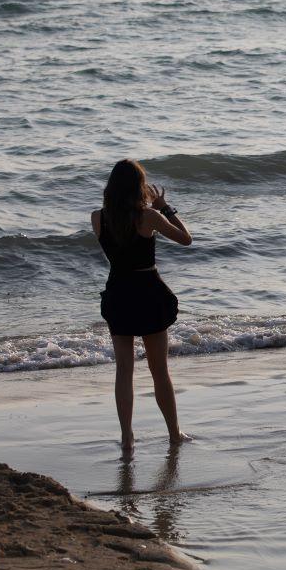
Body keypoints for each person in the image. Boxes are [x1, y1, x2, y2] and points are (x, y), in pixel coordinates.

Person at [92, 159, 193, 448]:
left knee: (124, 371)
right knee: (159, 370)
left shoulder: (98, 218)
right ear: (139, 186)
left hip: (118, 292)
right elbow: (186, 239)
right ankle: (174, 433)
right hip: (147, 293)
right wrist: (165, 208)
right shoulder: (148, 217)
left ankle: (127, 437)